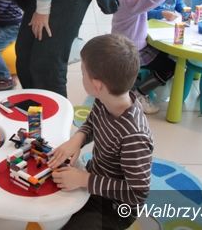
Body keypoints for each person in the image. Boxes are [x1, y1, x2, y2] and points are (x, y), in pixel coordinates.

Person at [48, 34, 153, 230]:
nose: (81, 76)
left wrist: (84, 180)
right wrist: (77, 140)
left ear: (97, 86)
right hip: (94, 179)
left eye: (83, 72)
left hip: (115, 208)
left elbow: (137, 192)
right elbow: (92, 122)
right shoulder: (105, 99)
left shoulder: (134, 137)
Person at [112, 0, 172, 114]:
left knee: (164, 56)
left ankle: (140, 87)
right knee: (169, 66)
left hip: (123, 45)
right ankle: (138, 94)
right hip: (131, 50)